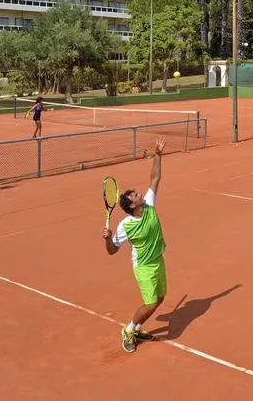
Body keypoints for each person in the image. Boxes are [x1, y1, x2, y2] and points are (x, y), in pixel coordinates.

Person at [103, 140, 169, 353]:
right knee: (150, 303)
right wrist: (107, 239)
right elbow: (112, 251)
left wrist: (157, 154)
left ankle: (138, 329)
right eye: (134, 195)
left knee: (160, 298)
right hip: (144, 267)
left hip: (158, 260)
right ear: (132, 205)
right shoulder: (126, 226)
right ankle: (129, 330)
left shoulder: (148, 205)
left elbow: (155, 178)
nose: (139, 193)